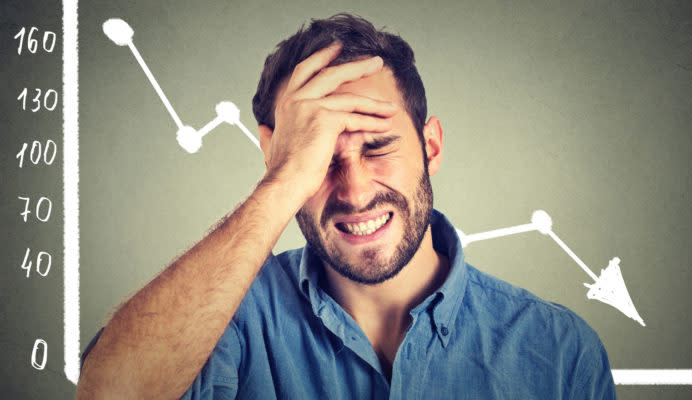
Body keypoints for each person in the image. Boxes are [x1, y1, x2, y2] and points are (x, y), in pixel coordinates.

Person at [77, 13, 616, 399]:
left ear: (430, 146)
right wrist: (284, 177)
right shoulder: (229, 325)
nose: (355, 191)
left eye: (378, 146)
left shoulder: (560, 353)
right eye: (319, 159)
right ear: (274, 157)